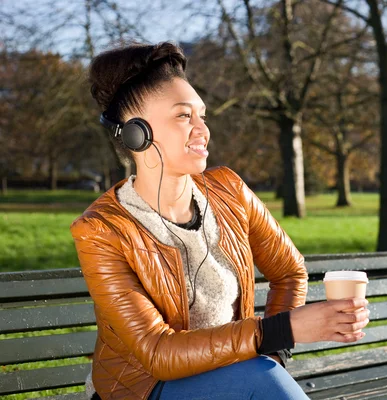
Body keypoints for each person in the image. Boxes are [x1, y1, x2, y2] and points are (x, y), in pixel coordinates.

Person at [70, 41, 370, 400]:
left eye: (203, 116)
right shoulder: (101, 230)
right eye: (184, 116)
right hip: (145, 389)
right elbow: (157, 353)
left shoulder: (229, 189)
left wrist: (275, 353)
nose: (202, 130)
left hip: (237, 378)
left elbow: (290, 271)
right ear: (138, 133)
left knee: (262, 374)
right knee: (261, 377)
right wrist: (278, 331)